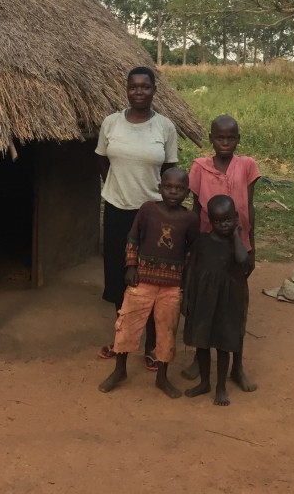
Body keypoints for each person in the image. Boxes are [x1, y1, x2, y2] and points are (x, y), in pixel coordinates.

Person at [95, 66, 179, 368]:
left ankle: (153, 346)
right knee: (120, 278)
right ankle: (121, 341)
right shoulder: (111, 123)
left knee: (154, 279)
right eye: (133, 87)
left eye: (145, 87)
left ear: (154, 90)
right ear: (126, 90)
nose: (139, 92)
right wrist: (116, 187)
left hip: (154, 213)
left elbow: (170, 171)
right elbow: (102, 160)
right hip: (118, 209)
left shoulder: (165, 128)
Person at [97, 167, 199, 397]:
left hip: (171, 286)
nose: (173, 192)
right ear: (160, 187)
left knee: (167, 330)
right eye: (168, 186)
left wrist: (186, 281)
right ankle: (119, 370)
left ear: (187, 192)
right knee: (127, 324)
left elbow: (193, 251)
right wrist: (131, 266)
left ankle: (162, 377)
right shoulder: (148, 210)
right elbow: (133, 237)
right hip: (142, 280)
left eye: (179, 188)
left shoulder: (190, 219)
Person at [181, 114, 260, 391]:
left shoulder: (247, 166)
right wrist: (190, 247)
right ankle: (198, 361)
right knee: (203, 304)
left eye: (230, 138)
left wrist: (251, 248)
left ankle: (236, 366)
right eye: (219, 137)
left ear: (238, 139)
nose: (225, 143)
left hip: (236, 248)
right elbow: (194, 209)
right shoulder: (199, 167)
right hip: (206, 246)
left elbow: (249, 208)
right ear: (211, 139)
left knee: (235, 308)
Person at [182, 194, 251, 406]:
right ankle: (205, 383)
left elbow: (243, 260)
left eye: (228, 220)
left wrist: (235, 236)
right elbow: (190, 270)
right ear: (210, 221)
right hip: (203, 300)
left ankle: (221, 387)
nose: (224, 225)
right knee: (202, 344)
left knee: (223, 345)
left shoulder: (235, 244)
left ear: (236, 218)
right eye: (218, 221)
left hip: (226, 303)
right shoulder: (202, 242)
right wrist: (186, 298)